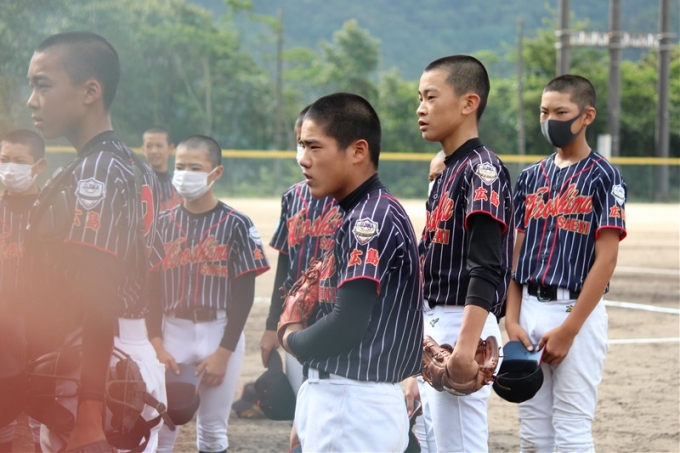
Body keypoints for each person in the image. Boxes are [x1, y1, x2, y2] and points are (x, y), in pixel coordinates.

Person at [25, 31, 166, 453]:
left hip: (100, 365)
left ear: (90, 91)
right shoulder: (132, 164)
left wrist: (89, 416)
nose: (32, 101)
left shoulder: (97, 171)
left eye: (43, 85)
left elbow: (98, 295)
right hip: (121, 352)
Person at [279, 92, 424, 453]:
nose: (303, 159)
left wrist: (290, 340)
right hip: (348, 401)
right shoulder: (367, 211)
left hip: (352, 404)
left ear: (358, 150)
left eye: (315, 147)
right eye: (301, 146)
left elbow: (347, 324)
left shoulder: (368, 219)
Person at [506, 74, 627, 452]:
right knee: (532, 431)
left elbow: (606, 259)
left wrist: (570, 329)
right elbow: (516, 255)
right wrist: (511, 318)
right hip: (528, 308)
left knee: (572, 426)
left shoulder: (604, 176)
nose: (550, 120)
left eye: (561, 112)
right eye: (544, 112)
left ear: (587, 116)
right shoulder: (530, 177)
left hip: (575, 310)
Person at [415, 55, 514, 453]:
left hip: (461, 322)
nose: (421, 108)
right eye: (419, 98)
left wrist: (464, 348)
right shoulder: (448, 170)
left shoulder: (482, 170)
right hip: (437, 320)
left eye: (431, 96)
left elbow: (487, 264)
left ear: (468, 103)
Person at [149, 135, 270, 453]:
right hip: (172, 332)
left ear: (216, 172)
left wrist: (224, 352)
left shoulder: (237, 224)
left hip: (219, 331)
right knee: (162, 428)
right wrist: (156, 343)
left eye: (195, 168)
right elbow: (152, 291)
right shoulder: (161, 223)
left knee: (213, 431)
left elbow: (244, 295)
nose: (184, 174)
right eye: (180, 167)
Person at [260, 105, 340, 397]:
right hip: (295, 321)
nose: (304, 152)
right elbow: (285, 263)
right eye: (299, 143)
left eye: (313, 144)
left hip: (336, 318)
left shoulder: (353, 198)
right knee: (301, 407)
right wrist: (272, 325)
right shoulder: (292, 197)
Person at [0, 129, 47, 453]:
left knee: (42, 409)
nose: (9, 168)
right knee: (3, 409)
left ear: (38, 165)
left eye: (19, 160)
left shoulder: (51, 210)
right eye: (4, 159)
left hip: (43, 323)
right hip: (3, 324)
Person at [142, 126, 182, 212]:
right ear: (143, 149)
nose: (154, 151)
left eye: (159, 146)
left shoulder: (178, 184)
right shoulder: (137, 183)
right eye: (149, 146)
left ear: (170, 148)